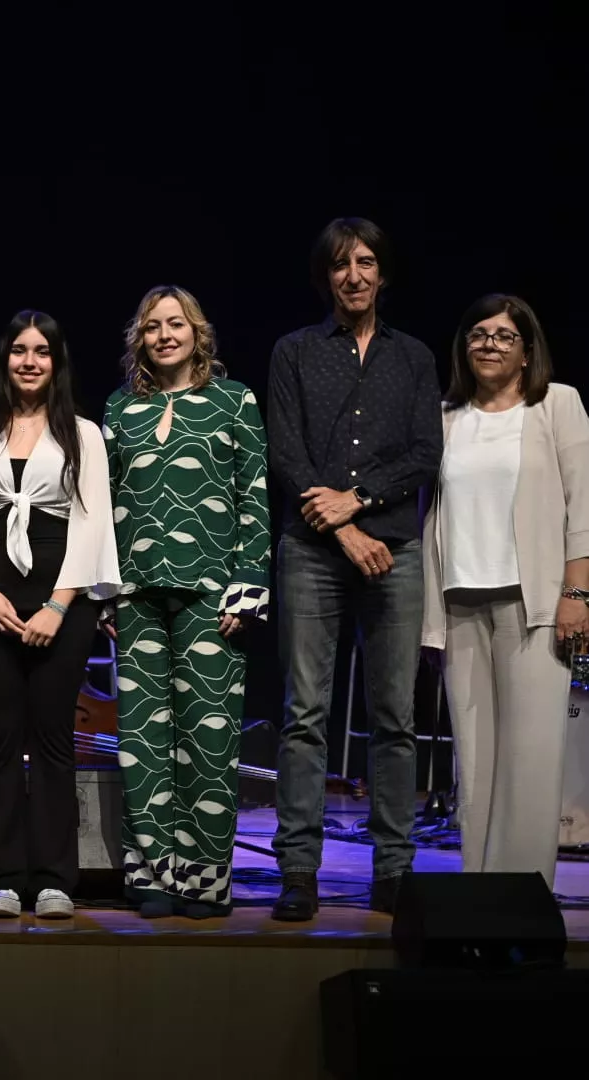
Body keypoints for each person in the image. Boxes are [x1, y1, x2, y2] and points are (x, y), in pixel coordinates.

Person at [266, 218, 443, 920]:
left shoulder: (416, 358)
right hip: (313, 552)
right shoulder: (295, 352)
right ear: (325, 277)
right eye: (341, 265)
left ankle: (394, 869)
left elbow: (425, 455)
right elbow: (287, 455)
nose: (355, 276)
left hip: (393, 549)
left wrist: (361, 504)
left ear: (384, 273)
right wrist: (343, 530)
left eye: (366, 262)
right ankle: (299, 871)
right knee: (305, 715)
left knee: (394, 717)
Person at [104, 286, 270, 919]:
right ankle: (150, 874)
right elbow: (104, 506)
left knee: (209, 740)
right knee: (143, 741)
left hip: (212, 595)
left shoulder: (235, 401)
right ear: (139, 339)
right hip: (136, 592)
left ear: (197, 333)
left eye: (176, 324)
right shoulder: (121, 408)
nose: (165, 334)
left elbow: (254, 496)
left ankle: (203, 880)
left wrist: (248, 591)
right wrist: (105, 595)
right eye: (152, 326)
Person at [0, 310, 119, 920]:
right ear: (5, 361)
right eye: (19, 350)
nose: (30, 361)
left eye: (41, 351)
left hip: (62, 605)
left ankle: (52, 879)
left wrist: (57, 604)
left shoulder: (84, 434)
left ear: (56, 362)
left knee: (53, 742)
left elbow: (91, 521)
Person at [421, 295, 589, 891]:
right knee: (477, 763)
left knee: (531, 760)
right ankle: (478, 894)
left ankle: (523, 899)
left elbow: (582, 505)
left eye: (503, 335)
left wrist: (578, 593)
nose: (489, 343)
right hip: (460, 601)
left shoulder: (556, 405)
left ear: (525, 352)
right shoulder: (445, 415)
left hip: (534, 603)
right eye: (478, 334)